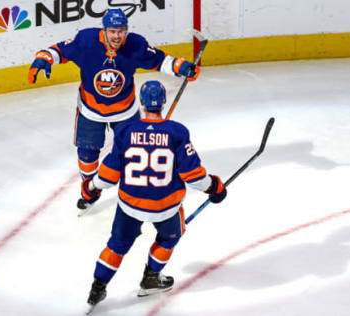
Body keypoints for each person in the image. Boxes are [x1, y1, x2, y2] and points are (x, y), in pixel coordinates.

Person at [28, 8, 200, 210]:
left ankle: (135, 184)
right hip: (90, 109)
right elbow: (59, 50)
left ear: (126, 31)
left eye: (121, 31)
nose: (117, 36)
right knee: (87, 154)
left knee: (134, 151)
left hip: (125, 110)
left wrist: (181, 67)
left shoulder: (135, 45)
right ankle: (90, 188)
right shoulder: (87, 41)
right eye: (112, 31)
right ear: (104, 30)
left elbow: (159, 60)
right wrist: (43, 59)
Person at [80, 80, 227, 310]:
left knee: (117, 244)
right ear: (163, 102)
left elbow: (108, 176)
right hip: (166, 207)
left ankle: (97, 288)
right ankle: (151, 277)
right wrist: (215, 187)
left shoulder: (126, 131)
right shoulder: (177, 132)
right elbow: (193, 176)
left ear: (141, 103)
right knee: (169, 238)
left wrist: (91, 187)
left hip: (129, 204)